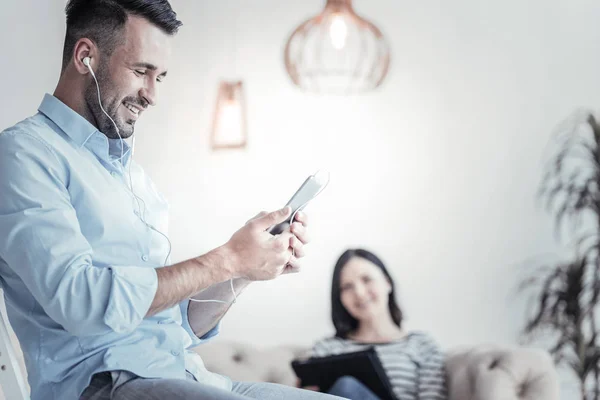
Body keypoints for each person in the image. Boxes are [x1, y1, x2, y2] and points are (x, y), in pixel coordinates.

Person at [0, 1, 346, 400]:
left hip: (186, 375)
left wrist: (245, 269)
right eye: (141, 71)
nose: (151, 95)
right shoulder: (23, 155)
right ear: (86, 57)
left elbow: (180, 326)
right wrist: (227, 257)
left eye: (159, 77)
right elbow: (82, 301)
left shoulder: (133, 178)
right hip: (103, 386)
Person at [305, 249, 447, 400]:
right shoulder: (326, 349)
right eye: (347, 287)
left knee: (346, 386)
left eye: (366, 279)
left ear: (387, 283)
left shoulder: (421, 344)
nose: (359, 293)